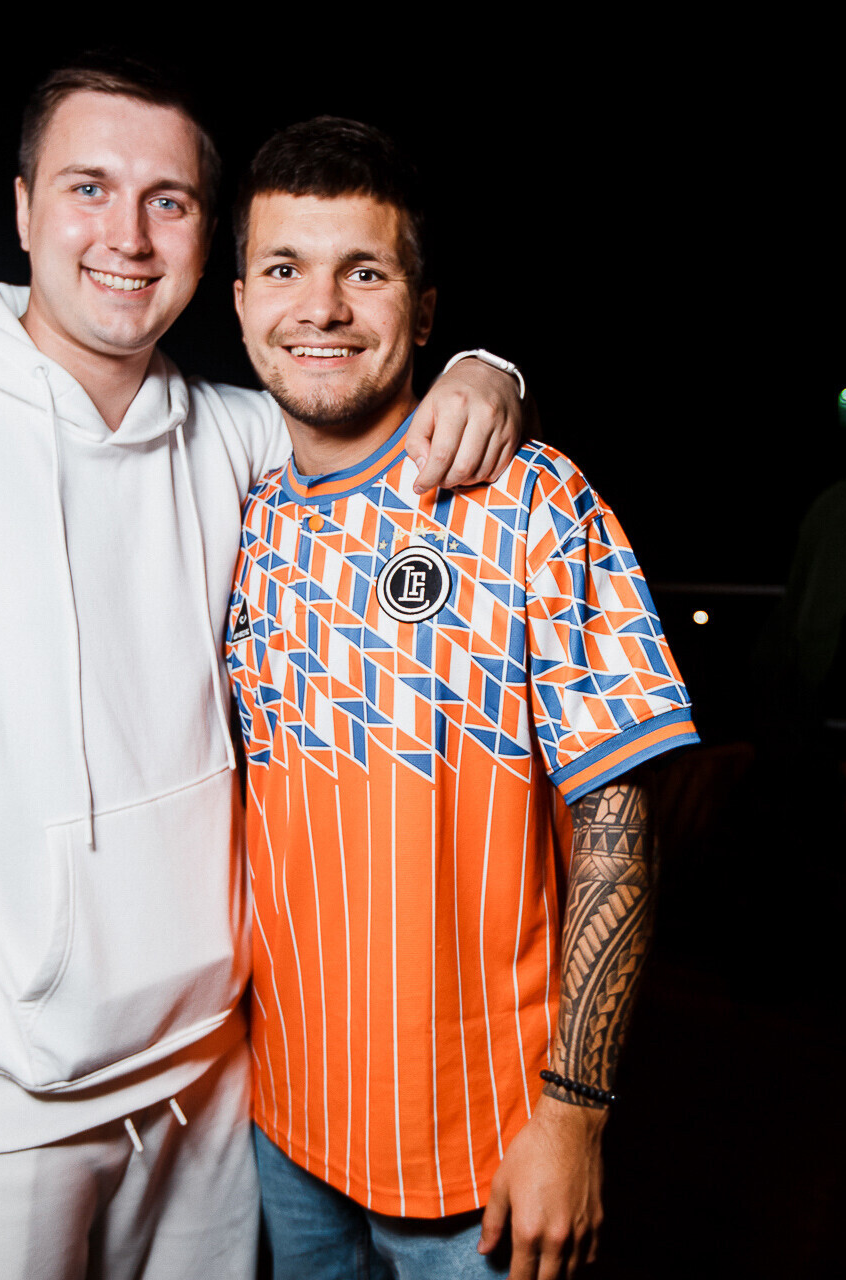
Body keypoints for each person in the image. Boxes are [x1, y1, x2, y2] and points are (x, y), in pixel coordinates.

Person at [0, 55, 526, 1280]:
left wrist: (488, 370)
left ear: (207, 240)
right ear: (24, 206)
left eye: (169, 201)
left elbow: (357, 392)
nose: (129, 236)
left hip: (212, 1077)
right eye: (89, 187)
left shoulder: (235, 435)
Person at [224, 118, 698, 1280]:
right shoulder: (239, 516)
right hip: (280, 1123)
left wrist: (574, 1113)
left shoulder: (532, 499)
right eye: (284, 268)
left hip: (483, 1155)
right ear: (239, 302)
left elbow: (619, 822)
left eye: (365, 273)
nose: (321, 307)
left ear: (425, 311)